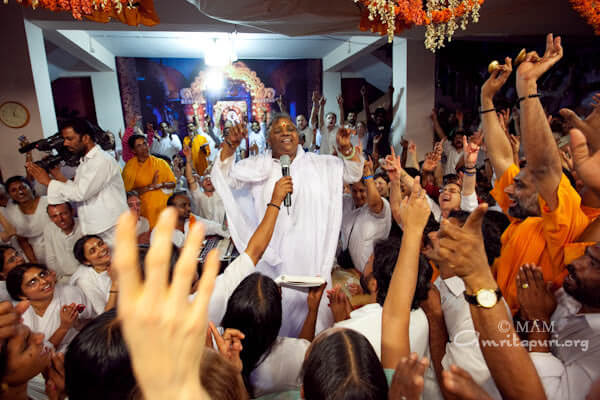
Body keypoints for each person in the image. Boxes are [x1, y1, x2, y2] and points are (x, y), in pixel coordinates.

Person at [211, 113, 363, 337]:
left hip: (311, 263)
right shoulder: (256, 167)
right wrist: (229, 147)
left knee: (315, 332)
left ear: (299, 137)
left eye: (290, 128)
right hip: (272, 267)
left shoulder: (320, 165)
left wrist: (346, 149)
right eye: (278, 130)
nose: (285, 132)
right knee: (274, 330)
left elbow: (353, 173)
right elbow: (224, 177)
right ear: (268, 139)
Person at [482, 36, 591, 313]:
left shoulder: (564, 226)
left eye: (519, 186)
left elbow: (544, 167)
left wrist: (528, 87)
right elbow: (502, 158)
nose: (507, 190)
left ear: (545, 190)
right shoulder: (524, 219)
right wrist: (486, 98)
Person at [26, 118, 129, 247]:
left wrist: (48, 182)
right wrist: (58, 176)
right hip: (99, 228)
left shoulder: (101, 160)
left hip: (112, 228)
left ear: (86, 138)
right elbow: (78, 188)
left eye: (70, 139)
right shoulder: (86, 161)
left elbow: (80, 193)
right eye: (65, 139)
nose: (65, 144)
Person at [219, 272, 325, 397]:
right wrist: (313, 310)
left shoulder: (214, 346)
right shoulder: (294, 356)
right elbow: (303, 352)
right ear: (276, 321)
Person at [331, 237, 431, 361]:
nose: (365, 266)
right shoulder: (421, 317)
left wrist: (340, 322)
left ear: (373, 284)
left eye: (368, 262)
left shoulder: (352, 331)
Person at [518, 254, 600, 400]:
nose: (574, 262)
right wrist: (528, 314)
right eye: (586, 254)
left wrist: (538, 321)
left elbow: (546, 396)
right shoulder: (573, 291)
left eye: (594, 264)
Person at [6, 263, 93, 352]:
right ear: (21, 295)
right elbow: (36, 357)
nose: (44, 281)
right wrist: (64, 327)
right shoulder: (21, 317)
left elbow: (93, 322)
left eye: (43, 275)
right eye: (32, 282)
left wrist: (77, 323)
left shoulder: (70, 292)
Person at [340, 157, 391, 272]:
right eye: (354, 191)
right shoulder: (346, 201)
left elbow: (374, 205)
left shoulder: (382, 206)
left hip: (370, 274)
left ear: (368, 189)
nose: (358, 195)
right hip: (348, 270)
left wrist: (368, 174)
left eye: (362, 191)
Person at [122, 134, 176, 229]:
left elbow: (173, 183)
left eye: (145, 143)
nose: (144, 147)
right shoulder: (129, 168)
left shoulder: (160, 163)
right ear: (133, 150)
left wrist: (161, 185)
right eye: (139, 145)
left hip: (165, 209)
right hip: (145, 213)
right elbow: (127, 194)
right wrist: (149, 187)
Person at [2, 176, 51, 264]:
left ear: (31, 187)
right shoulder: (12, 211)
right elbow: (23, 241)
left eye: (22, 187)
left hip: (57, 244)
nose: (20, 192)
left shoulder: (47, 202)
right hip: (35, 252)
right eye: (13, 190)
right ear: (9, 195)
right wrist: (34, 262)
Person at [155, 192, 228, 248]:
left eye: (189, 205)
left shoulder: (192, 219)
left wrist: (231, 236)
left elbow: (214, 227)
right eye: (183, 206)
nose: (189, 209)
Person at [71, 235, 118, 316]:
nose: (102, 249)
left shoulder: (117, 258)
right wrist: (115, 283)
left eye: (101, 244)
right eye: (93, 251)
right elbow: (105, 316)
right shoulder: (85, 281)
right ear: (86, 262)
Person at [183, 146, 227, 226]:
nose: (208, 180)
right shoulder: (199, 196)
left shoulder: (220, 194)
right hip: (205, 233)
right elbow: (190, 178)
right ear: (201, 184)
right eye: (205, 179)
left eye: (210, 179)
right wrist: (188, 160)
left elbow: (223, 170)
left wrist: (223, 150)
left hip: (224, 232)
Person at [43, 203, 83, 283]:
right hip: (64, 278)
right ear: (50, 218)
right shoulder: (49, 229)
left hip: (86, 275)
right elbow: (51, 259)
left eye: (64, 214)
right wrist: (59, 278)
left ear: (72, 211)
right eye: (54, 216)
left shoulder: (83, 225)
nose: (60, 219)